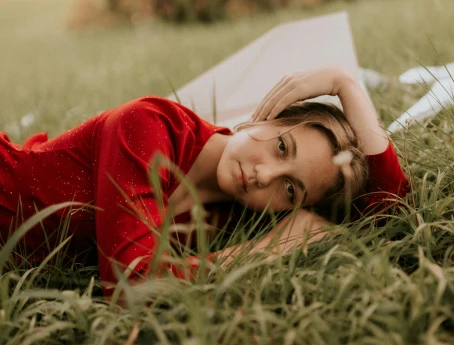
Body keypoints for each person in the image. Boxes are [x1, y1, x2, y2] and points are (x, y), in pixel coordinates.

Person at [0, 68, 409, 300]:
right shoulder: (149, 124)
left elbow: (389, 211)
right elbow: (132, 287)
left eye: (290, 191)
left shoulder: (236, 215)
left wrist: (350, 92)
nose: (264, 175)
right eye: (281, 147)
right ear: (265, 116)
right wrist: (265, 250)